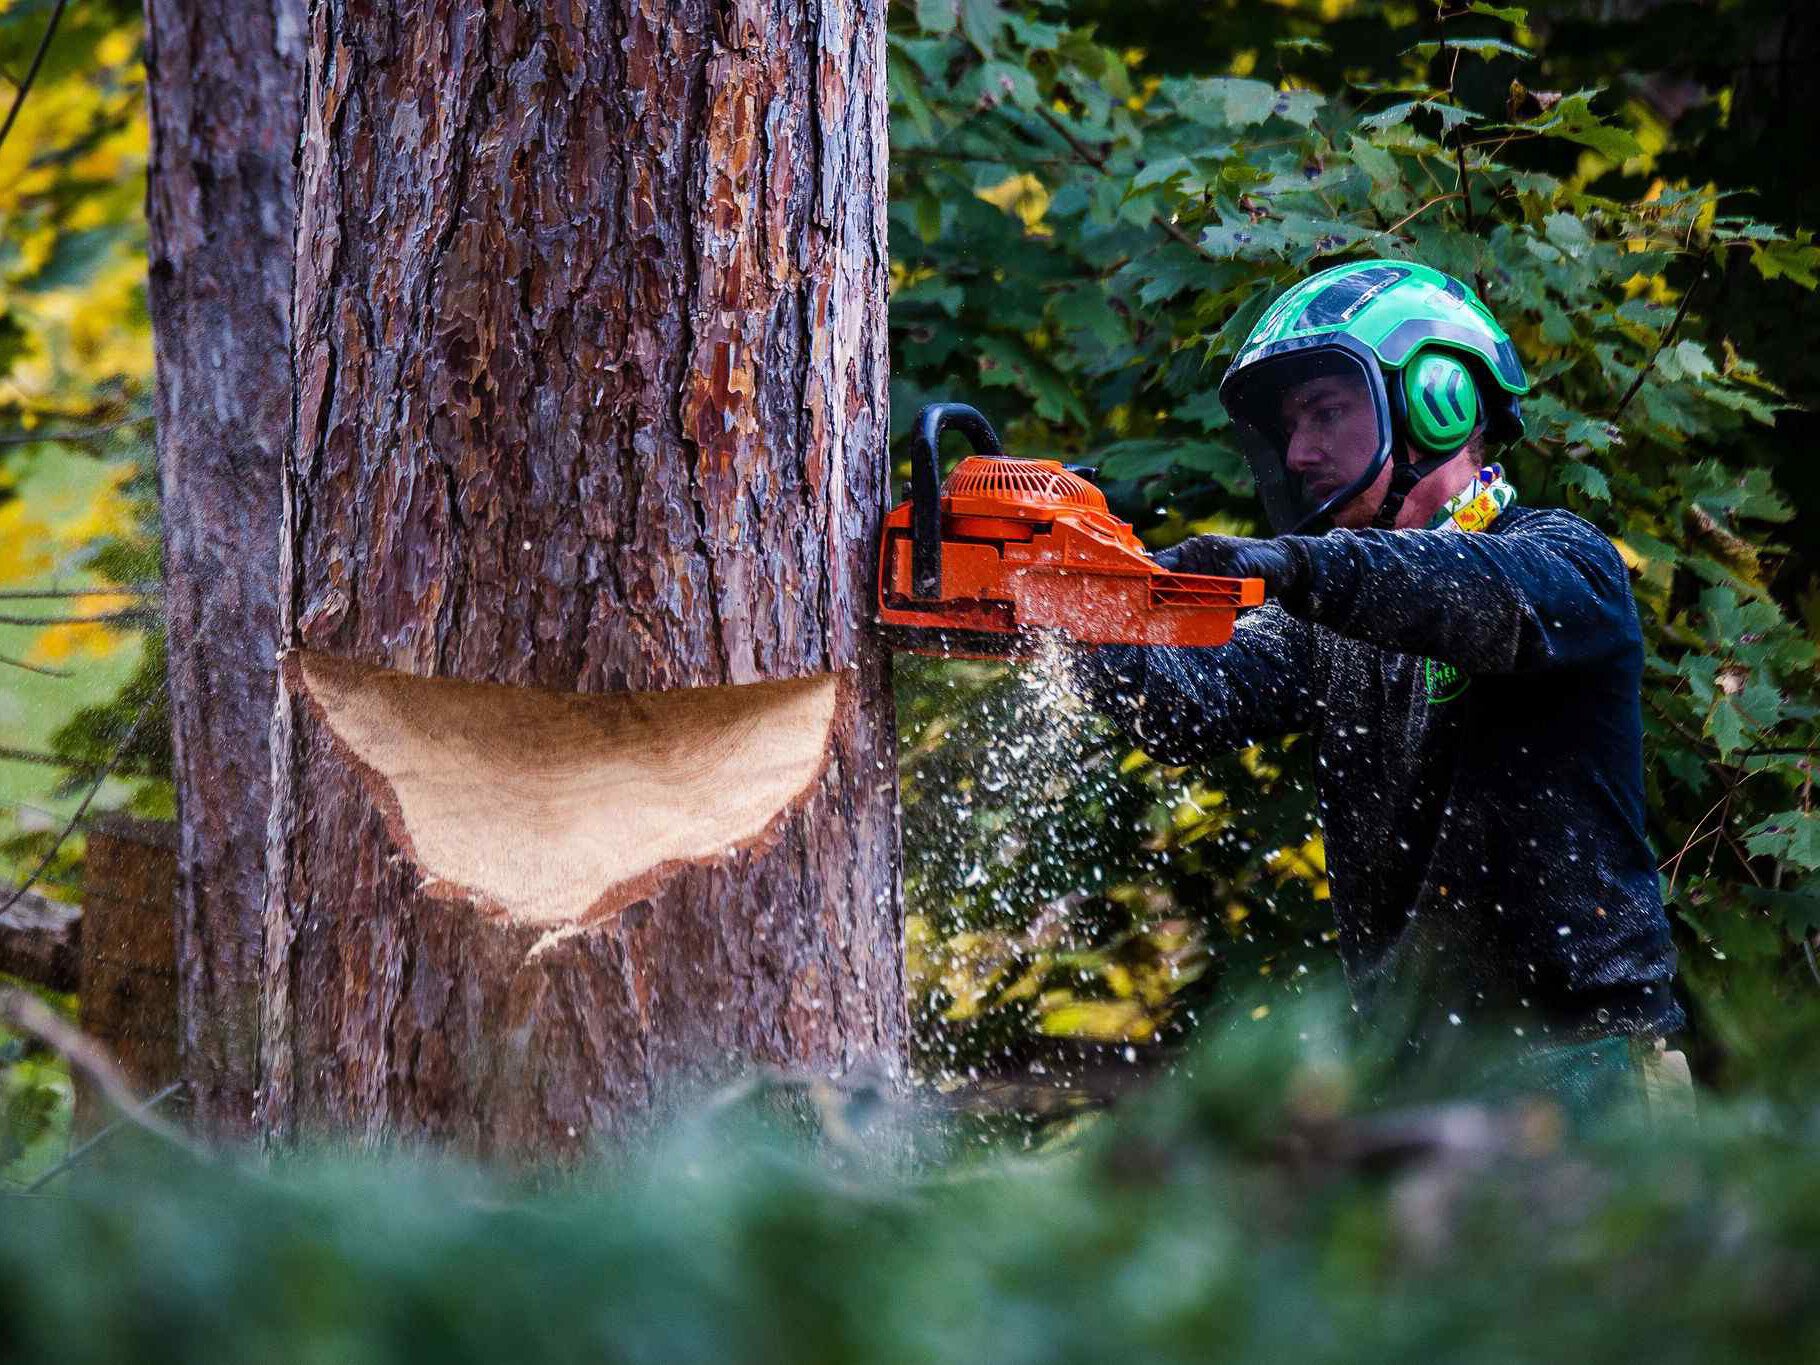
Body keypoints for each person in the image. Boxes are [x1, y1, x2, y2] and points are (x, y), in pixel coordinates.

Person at [1073, 259, 1690, 1121]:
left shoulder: (1561, 563)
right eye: (1291, 426)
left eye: (1326, 412)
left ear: (1439, 401)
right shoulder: (1331, 625)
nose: (1298, 452)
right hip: (1414, 1086)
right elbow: (1183, 700)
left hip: (1581, 1074)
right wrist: (1070, 598)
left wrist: (1288, 564)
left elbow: (1456, 591)